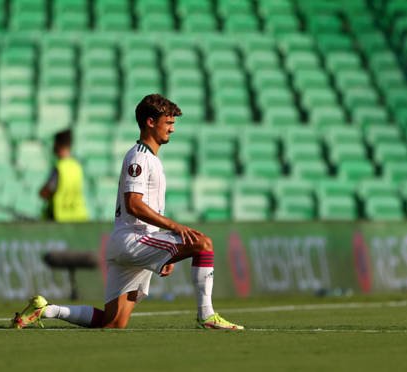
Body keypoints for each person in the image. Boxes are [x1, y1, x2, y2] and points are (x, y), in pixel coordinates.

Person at [13, 94, 243, 330]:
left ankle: (47, 310)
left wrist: (162, 253)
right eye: (168, 123)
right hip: (135, 239)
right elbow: (133, 204)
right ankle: (206, 316)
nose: (172, 129)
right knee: (203, 243)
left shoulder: (150, 159)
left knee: (113, 323)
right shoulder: (139, 157)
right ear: (150, 122)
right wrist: (174, 228)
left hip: (131, 242)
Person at [39, 129, 88, 222]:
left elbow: (47, 191)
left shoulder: (60, 168)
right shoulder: (77, 167)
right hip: (79, 219)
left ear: (58, 144)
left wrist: (41, 192)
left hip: (60, 220)